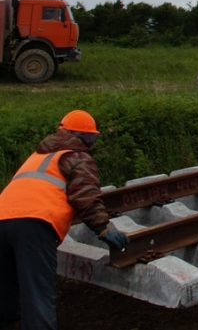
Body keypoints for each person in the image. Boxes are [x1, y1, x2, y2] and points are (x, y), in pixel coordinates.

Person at [0, 110, 130, 330]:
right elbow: (86, 196)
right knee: (37, 294)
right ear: (84, 137)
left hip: (2, 219)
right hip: (35, 224)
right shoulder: (77, 157)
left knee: (4, 293)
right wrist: (104, 229)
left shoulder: (37, 156)